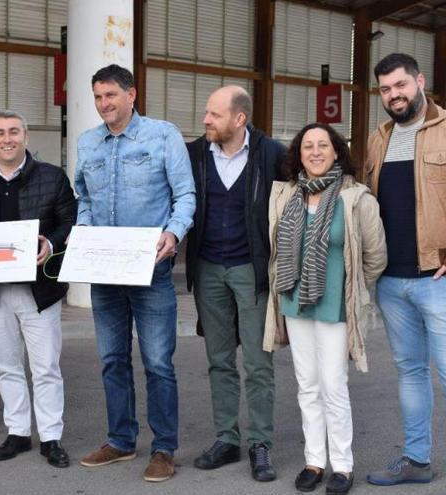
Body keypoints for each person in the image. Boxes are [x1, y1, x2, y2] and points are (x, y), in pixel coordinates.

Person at [74, 64, 195, 483]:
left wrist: (173, 234)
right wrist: (84, 228)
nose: (103, 104)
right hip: (104, 271)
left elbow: (185, 195)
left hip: (151, 269)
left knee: (158, 362)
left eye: (110, 95)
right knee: (111, 359)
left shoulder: (163, 135)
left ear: (131, 94)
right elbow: (83, 197)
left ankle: (164, 448)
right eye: (97, 97)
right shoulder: (88, 142)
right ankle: (121, 440)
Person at [264, 123, 387, 494]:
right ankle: (314, 460)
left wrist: (352, 291)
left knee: (333, 386)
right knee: (307, 386)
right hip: (294, 301)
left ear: (336, 151)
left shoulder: (357, 197)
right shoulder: (287, 195)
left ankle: (343, 466)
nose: (315, 152)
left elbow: (375, 257)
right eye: (307, 147)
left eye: (323, 145)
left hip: (335, 305)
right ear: (298, 155)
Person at [362, 53, 446, 495]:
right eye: (385, 89)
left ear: (420, 81)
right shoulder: (378, 138)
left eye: (400, 85)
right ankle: (417, 459)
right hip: (392, 281)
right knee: (410, 373)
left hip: (442, 280)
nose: (394, 95)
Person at [0, 110, 77, 468]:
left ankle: (51, 437)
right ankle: (18, 432)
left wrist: (50, 244)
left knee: (46, 367)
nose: (6, 139)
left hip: (40, 290)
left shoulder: (52, 177)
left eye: (13, 132)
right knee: (6, 364)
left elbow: (69, 219)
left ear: (26, 136)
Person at [185, 86, 286, 481]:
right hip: (209, 269)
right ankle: (226, 438)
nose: (206, 120)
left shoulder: (271, 154)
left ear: (239, 119)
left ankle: (261, 444)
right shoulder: (194, 155)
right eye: (207, 113)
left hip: (252, 271)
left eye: (214, 114)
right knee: (219, 361)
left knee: (259, 364)